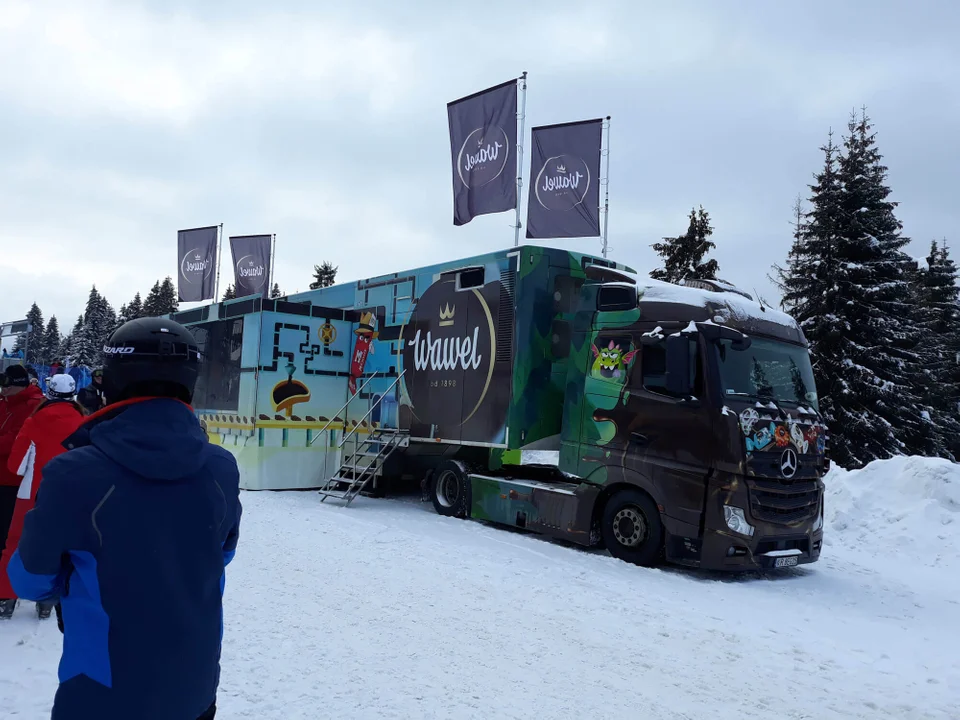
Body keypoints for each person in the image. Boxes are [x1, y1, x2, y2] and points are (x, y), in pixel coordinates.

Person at [7, 318, 242, 720]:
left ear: (111, 380)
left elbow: (29, 578)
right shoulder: (220, 467)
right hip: (195, 687)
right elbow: (220, 554)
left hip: (102, 692)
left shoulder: (75, 472)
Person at [0, 374, 85, 619]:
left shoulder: (34, 420)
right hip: (71, 494)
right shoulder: (84, 421)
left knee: (14, 543)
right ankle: (48, 599)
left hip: (33, 492)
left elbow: (15, 466)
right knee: (61, 545)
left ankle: (6, 596)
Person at [0, 365, 44, 586]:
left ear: (17, 385)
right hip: (4, 476)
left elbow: (16, 440)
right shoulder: (6, 402)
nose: (3, 389)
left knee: (9, 530)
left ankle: (12, 580)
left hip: (15, 480)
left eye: (6, 385)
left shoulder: (32, 406)